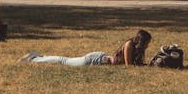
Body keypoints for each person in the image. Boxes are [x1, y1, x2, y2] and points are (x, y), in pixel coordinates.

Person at [21, 29, 151, 66]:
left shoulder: (137, 49)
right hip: (95, 60)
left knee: (65, 60)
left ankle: (39, 57)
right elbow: (128, 66)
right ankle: (34, 58)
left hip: (101, 60)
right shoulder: (129, 45)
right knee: (64, 61)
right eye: (147, 43)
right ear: (142, 41)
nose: (148, 45)